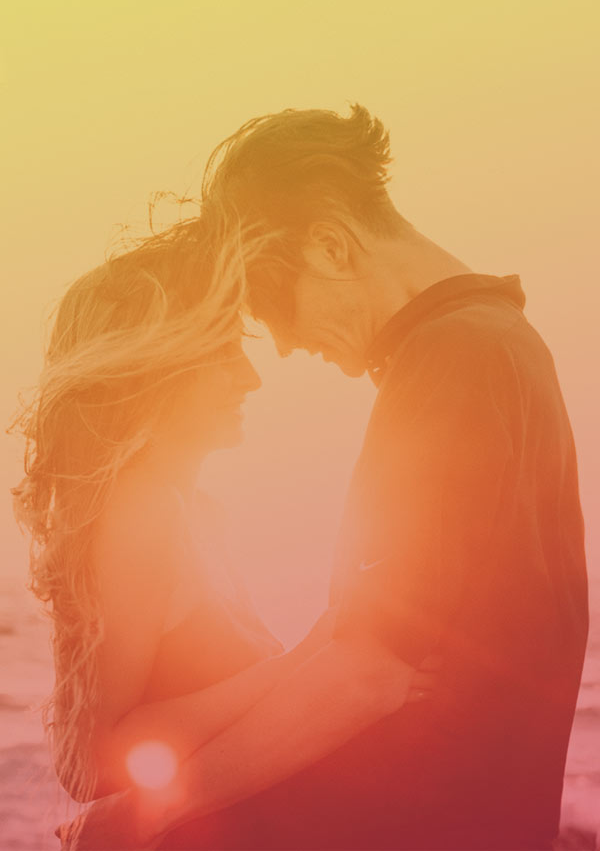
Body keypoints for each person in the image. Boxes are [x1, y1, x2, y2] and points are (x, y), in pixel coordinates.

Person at [63, 105, 588, 851]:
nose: (281, 347)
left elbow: (369, 667)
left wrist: (147, 814)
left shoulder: (452, 359)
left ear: (331, 246)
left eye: (272, 306)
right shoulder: (496, 341)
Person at [13, 214, 432, 849]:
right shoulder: (142, 512)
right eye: (222, 352)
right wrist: (306, 662)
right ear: (155, 368)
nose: (251, 377)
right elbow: (88, 759)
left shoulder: (201, 513)